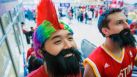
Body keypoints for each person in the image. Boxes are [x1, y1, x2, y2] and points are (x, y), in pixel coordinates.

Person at [27, 0, 82, 77]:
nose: (69, 45)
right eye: (58, 41)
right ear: (41, 52)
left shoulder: (75, 71)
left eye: (70, 38)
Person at [83, 8, 137, 77]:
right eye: (119, 22)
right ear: (105, 31)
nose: (127, 26)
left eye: (126, 21)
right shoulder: (94, 64)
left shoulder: (130, 48)